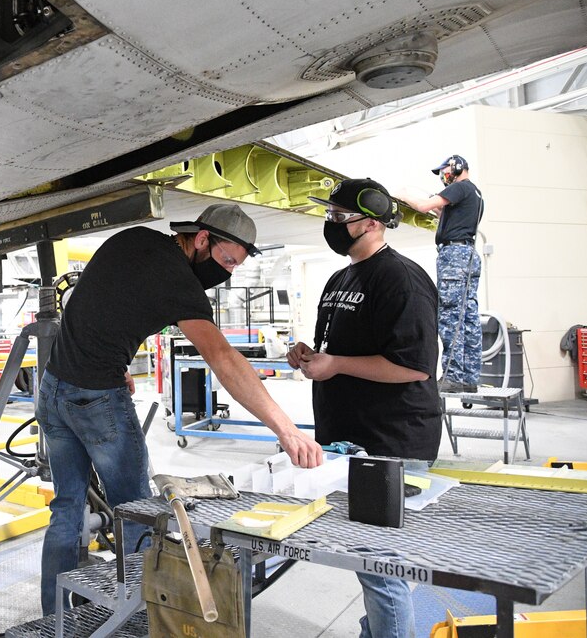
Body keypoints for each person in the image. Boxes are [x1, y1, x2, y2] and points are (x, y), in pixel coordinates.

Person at [37, 203, 323, 615]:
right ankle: (138, 618)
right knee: (138, 512)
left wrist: (112, 362)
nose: (227, 273)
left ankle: (54, 618)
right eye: (225, 261)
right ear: (202, 239)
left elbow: (98, 302)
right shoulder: (177, 280)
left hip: (54, 388)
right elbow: (223, 358)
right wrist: (286, 429)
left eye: (237, 266)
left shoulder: (135, 238)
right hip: (97, 400)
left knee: (66, 508)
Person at [288, 178, 441, 638]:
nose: (330, 224)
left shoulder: (402, 278)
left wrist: (335, 364)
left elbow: (414, 367)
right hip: (349, 437)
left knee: (380, 566)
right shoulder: (340, 279)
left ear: (372, 222)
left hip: (391, 438)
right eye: (329, 215)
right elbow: (337, 350)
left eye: (339, 217)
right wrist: (311, 356)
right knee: (372, 561)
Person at [399, 155, 484, 392]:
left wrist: (403, 195)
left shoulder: (460, 187)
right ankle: (469, 378)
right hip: (467, 255)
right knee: (468, 316)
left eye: (444, 170)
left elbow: (424, 206)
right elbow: (442, 213)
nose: (443, 176)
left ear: (457, 167)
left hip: (454, 256)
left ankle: (453, 376)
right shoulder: (474, 193)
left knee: (450, 316)